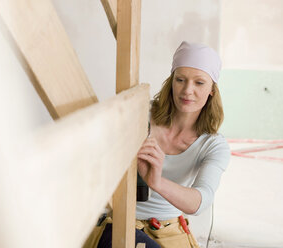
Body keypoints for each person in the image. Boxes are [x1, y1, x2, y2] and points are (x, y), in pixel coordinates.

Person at [86, 41, 230, 248]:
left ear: (212, 91)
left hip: (170, 231)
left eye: (199, 83)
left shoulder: (214, 145)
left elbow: (200, 201)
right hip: (118, 221)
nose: (188, 90)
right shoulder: (140, 114)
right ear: (171, 81)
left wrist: (156, 182)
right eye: (180, 79)